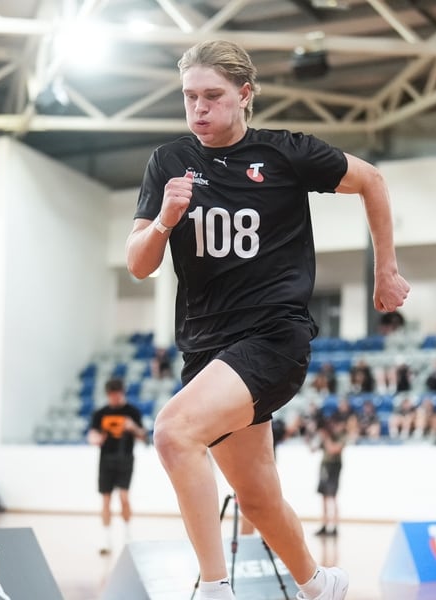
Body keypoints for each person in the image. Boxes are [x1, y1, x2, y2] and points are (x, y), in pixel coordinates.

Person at [125, 39, 409, 600]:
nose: (199, 107)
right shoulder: (169, 163)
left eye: (212, 95)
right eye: (189, 97)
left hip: (274, 338)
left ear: (244, 94)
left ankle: (215, 588)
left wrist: (386, 271)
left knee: (174, 433)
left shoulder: (284, 153)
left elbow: (372, 181)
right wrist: (164, 220)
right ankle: (319, 583)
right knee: (257, 497)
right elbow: (138, 264)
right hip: (206, 349)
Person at [87, 378, 147, 555]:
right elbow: (92, 434)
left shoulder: (132, 412)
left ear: (122, 393)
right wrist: (95, 439)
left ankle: (127, 535)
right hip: (106, 459)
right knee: (106, 499)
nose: (114, 397)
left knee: (123, 497)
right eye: (111, 395)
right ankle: (106, 539)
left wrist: (132, 427)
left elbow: (143, 436)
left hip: (125, 458)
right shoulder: (100, 413)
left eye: (117, 394)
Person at [313, 416, 347, 538]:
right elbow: (312, 449)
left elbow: (333, 450)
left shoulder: (341, 436)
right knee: (323, 497)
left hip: (334, 467)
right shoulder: (325, 437)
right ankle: (324, 524)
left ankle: (335, 526)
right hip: (324, 467)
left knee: (333, 497)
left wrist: (325, 438)